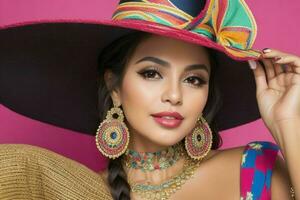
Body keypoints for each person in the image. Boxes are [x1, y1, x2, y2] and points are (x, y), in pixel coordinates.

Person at [0, 0, 299, 199]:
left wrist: (288, 122)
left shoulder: (255, 168)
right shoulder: (73, 190)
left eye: (193, 79)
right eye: (152, 73)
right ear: (114, 86)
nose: (174, 95)